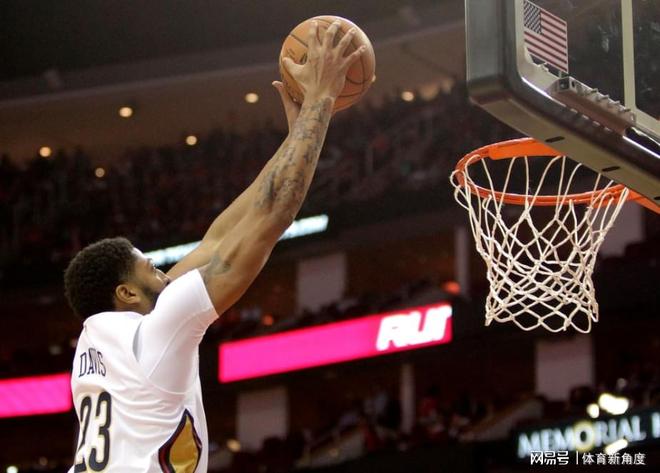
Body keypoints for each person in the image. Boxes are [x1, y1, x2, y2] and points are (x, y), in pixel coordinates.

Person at [63, 21, 366, 473]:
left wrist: (299, 136)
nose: (166, 272)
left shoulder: (96, 342)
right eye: (152, 268)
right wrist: (320, 100)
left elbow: (219, 239)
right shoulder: (158, 331)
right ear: (126, 293)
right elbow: (273, 214)